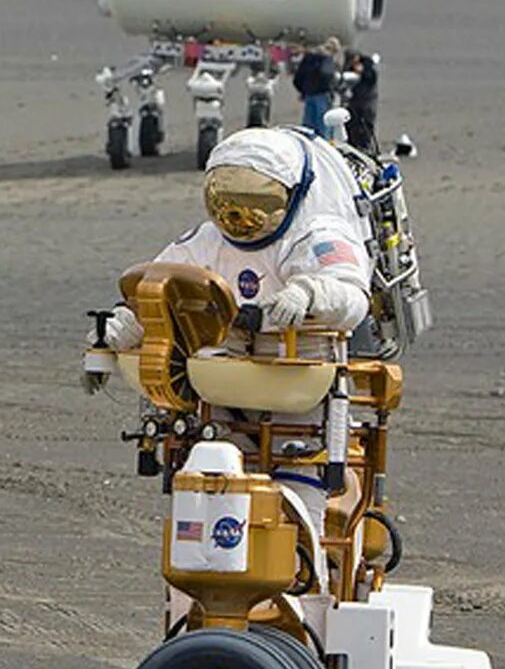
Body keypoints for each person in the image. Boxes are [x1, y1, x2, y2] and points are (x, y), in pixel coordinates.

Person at [83, 125, 373, 559]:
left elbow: (350, 295)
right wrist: (113, 335)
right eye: (227, 199)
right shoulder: (206, 242)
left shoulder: (316, 236)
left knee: (297, 505)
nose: (239, 215)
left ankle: (304, 591)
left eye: (256, 202)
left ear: (292, 194)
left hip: (296, 391)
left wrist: (309, 294)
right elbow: (156, 293)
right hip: (221, 389)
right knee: (212, 490)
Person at [292, 36, 340, 137]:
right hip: (322, 94)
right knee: (324, 125)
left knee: (307, 127)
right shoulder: (327, 59)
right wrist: (332, 90)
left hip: (309, 93)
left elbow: (298, 77)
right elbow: (327, 77)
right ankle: (323, 149)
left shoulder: (309, 57)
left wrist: (303, 90)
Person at [341, 50, 380, 152]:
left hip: (366, 101)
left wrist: (361, 72)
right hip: (353, 101)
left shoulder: (368, 66)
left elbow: (371, 78)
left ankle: (365, 146)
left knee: (365, 126)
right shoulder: (349, 67)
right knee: (352, 125)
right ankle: (354, 145)